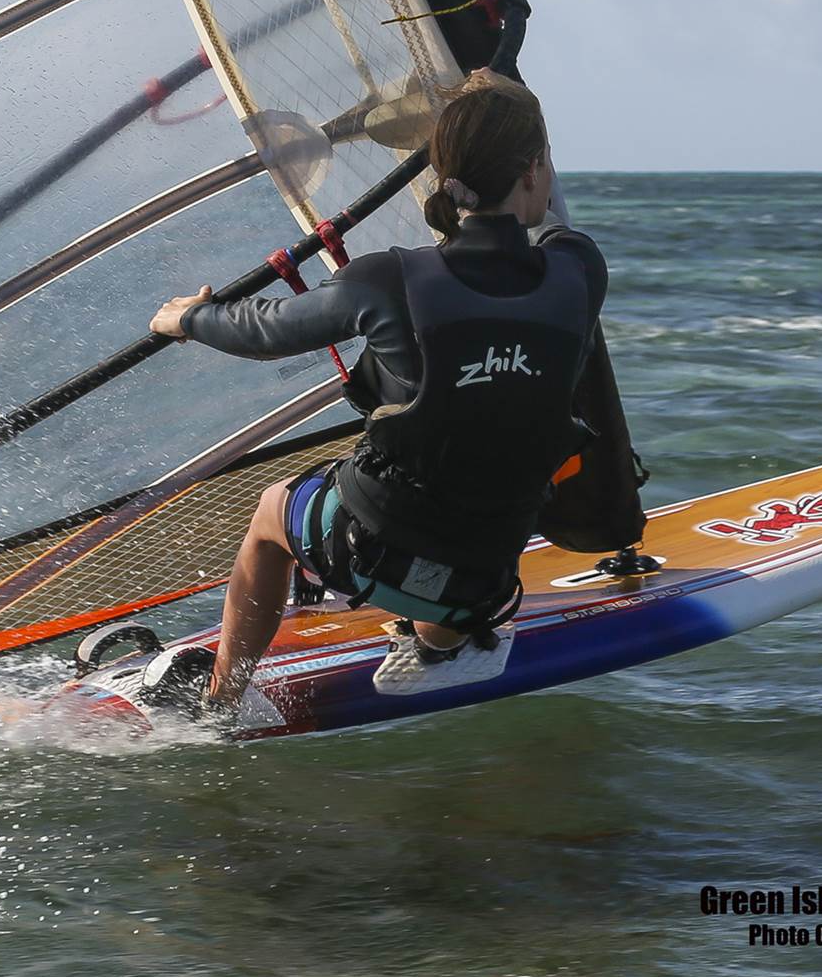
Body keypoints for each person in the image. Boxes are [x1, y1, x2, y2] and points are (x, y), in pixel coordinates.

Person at [142, 71, 609, 717]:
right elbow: (549, 228)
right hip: (485, 575)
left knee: (271, 512)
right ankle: (439, 643)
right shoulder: (579, 270)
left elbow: (263, 329)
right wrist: (514, 103)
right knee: (472, 506)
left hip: (371, 554)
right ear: (533, 170)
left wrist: (189, 318)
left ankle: (220, 700)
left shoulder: (388, 279)